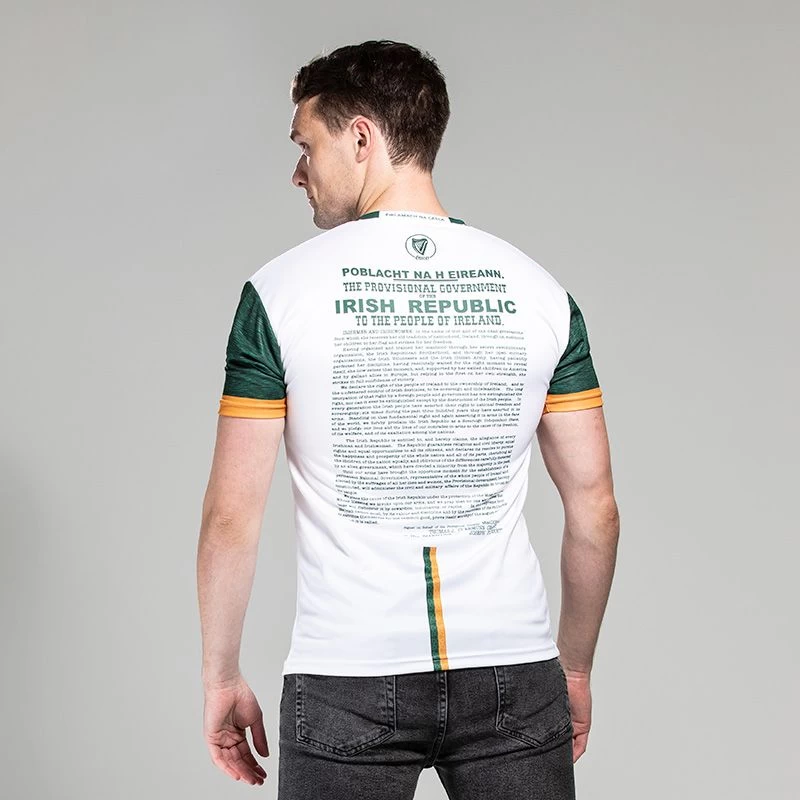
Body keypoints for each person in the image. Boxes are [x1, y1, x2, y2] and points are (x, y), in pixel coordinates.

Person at [196, 39, 619, 799]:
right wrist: (576, 668)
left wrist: (220, 675)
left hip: (346, 672)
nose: (298, 171)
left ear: (360, 138)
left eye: (306, 145)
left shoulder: (278, 294)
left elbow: (232, 516)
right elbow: (595, 509)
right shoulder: (541, 292)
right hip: (514, 671)